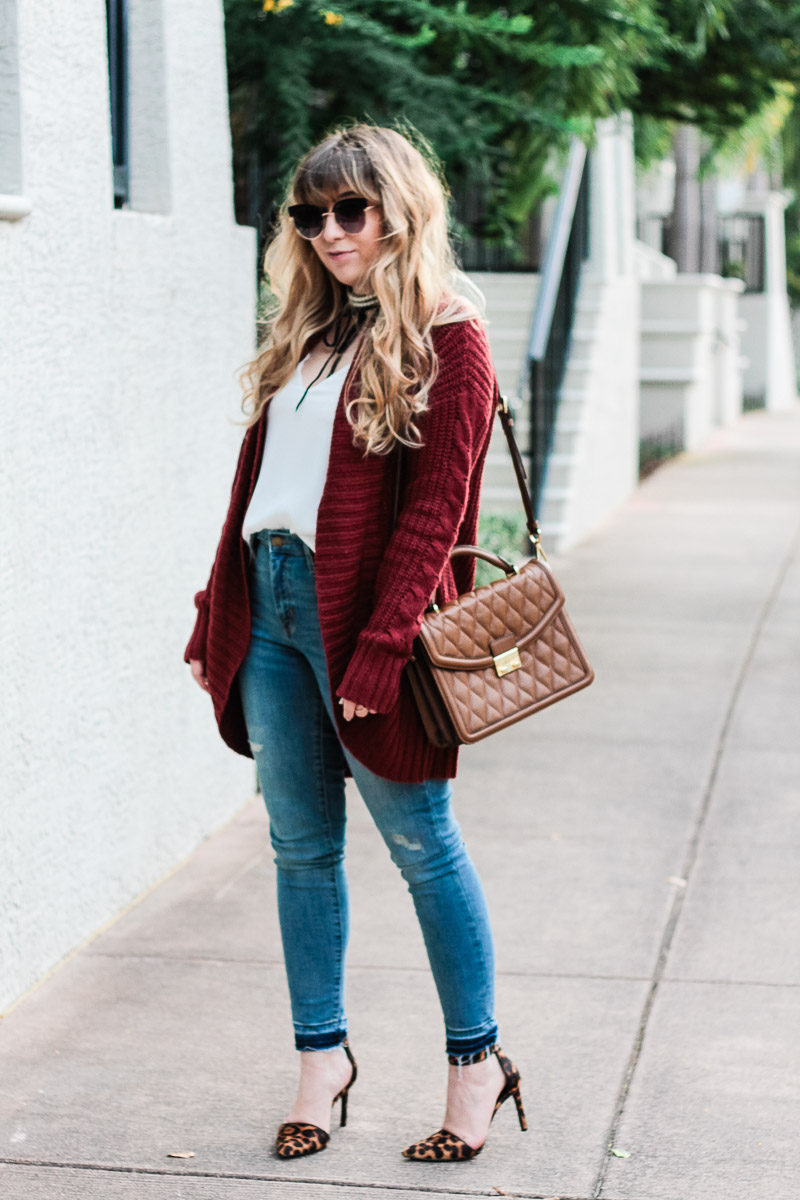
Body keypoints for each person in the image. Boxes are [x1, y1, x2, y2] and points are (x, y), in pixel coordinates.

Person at [185, 124, 526, 1162]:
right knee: (298, 852)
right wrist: (217, 609)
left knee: (422, 848)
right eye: (309, 214)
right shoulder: (314, 330)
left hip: (366, 626)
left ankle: (476, 1065)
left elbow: (434, 515)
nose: (329, 233)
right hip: (275, 606)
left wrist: (381, 650)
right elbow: (260, 492)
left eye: (350, 211)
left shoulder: (447, 336)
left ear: (399, 210)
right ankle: (321, 1064)